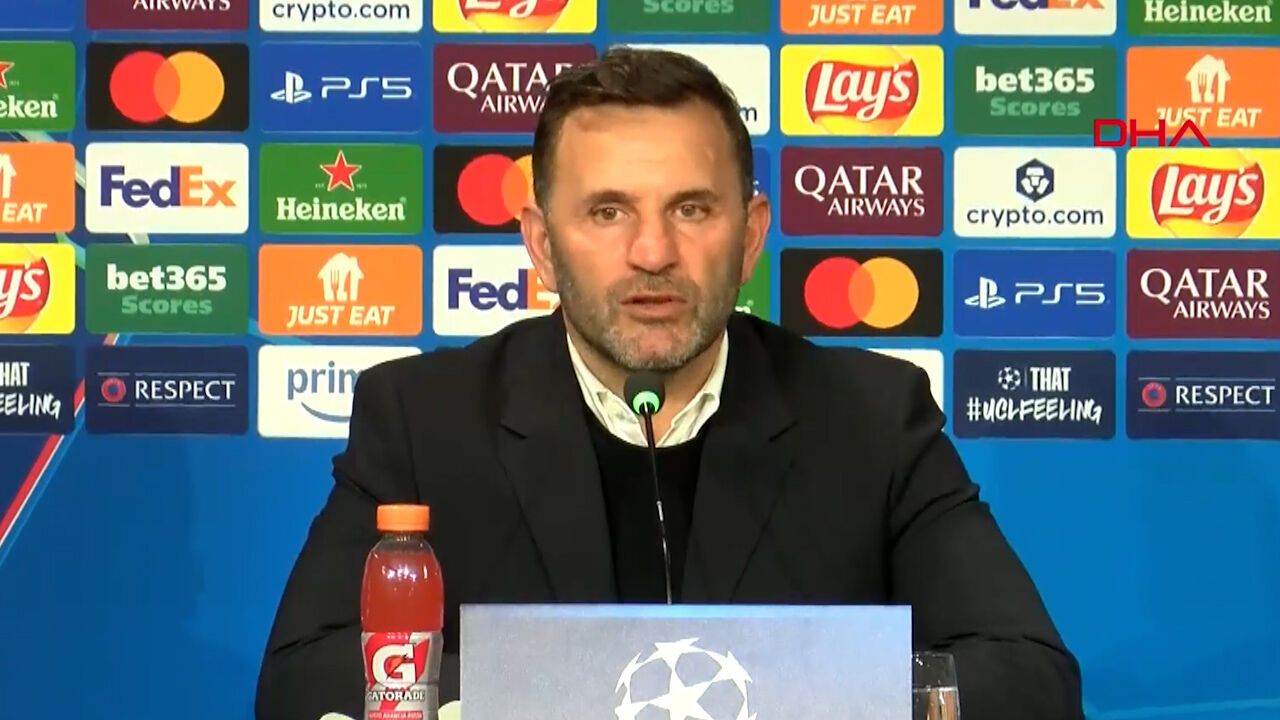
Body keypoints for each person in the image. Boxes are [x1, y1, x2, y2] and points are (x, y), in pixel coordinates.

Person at [256, 47, 1084, 720]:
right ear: (541, 245)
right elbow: (302, 685)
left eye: (692, 209)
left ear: (750, 236)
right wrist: (589, 689)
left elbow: (1029, 680)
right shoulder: (424, 420)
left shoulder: (872, 418)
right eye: (607, 212)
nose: (652, 253)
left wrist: (787, 692)